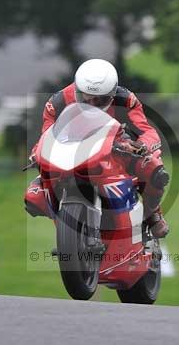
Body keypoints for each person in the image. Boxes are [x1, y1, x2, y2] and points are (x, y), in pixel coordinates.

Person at [24, 58, 170, 238]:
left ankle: (152, 214)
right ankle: (67, 229)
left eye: (100, 100)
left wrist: (140, 147)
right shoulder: (58, 102)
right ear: (77, 89)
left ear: (112, 93)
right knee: (35, 197)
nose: (92, 104)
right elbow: (47, 135)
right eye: (87, 97)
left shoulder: (126, 100)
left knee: (154, 168)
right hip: (70, 154)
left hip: (116, 150)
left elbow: (148, 132)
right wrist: (36, 153)